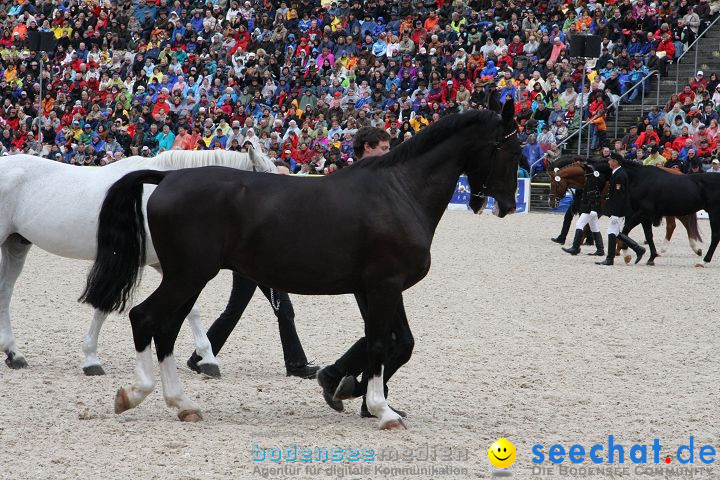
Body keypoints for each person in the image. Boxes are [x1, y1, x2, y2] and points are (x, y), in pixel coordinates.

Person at [187, 158, 318, 379]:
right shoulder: (268, 200)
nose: (285, 180)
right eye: (281, 175)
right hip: (261, 264)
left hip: (255, 263)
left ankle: (200, 357)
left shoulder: (277, 200)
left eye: (287, 176)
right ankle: (296, 364)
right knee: (282, 309)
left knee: (235, 311)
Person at [317, 126, 409, 420]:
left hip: (382, 267)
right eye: (383, 148)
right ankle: (358, 391)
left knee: (397, 339)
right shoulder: (357, 182)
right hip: (368, 270)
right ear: (366, 149)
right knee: (396, 339)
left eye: (388, 147)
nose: (388, 153)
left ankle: (340, 378)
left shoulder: (382, 182)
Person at [596, 154, 646, 266]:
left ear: (616, 162)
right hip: (617, 209)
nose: (609, 162)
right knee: (615, 232)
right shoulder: (617, 173)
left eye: (610, 160)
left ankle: (610, 258)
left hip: (618, 210)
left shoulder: (619, 175)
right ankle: (638, 249)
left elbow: (620, 196)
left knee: (612, 231)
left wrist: (615, 212)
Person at [561, 161, 605, 257]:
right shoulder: (591, 178)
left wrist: (592, 209)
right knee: (594, 227)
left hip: (589, 208)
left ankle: (575, 248)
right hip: (592, 208)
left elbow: (592, 195)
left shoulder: (590, 180)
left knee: (579, 224)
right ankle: (600, 249)